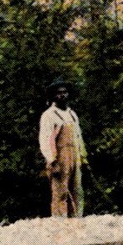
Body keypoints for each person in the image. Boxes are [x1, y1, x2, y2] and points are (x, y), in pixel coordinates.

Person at [40, 80, 85, 218]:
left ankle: (77, 221)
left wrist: (83, 155)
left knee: (77, 190)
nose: (62, 96)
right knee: (61, 192)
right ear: (53, 96)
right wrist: (52, 160)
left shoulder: (72, 114)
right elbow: (45, 139)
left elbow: (78, 136)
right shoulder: (49, 115)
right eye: (59, 93)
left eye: (64, 92)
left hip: (75, 156)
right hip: (59, 157)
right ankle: (59, 224)